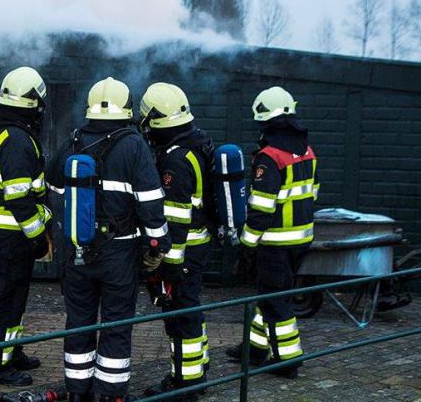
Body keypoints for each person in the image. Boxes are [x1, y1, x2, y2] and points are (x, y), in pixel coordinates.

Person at [48, 77, 170, 402]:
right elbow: (151, 204)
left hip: (77, 250)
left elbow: (54, 191)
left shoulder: (73, 141)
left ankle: (78, 393)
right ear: (128, 108)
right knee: (115, 325)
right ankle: (111, 396)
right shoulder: (134, 145)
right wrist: (158, 247)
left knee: (79, 323)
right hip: (119, 254)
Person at [227, 86, 319, 379]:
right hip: (301, 238)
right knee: (270, 294)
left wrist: (247, 244)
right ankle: (254, 350)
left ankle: (287, 361)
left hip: (275, 242)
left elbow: (262, 208)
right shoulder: (307, 150)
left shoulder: (269, 156)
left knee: (276, 301)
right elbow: (312, 193)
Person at [0, 66, 51, 386]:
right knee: (4, 296)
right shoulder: (16, 139)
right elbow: (19, 198)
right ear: (32, 102)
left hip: (4, 230)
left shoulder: (1, 130)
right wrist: (37, 236)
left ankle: (11, 350)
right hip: (10, 233)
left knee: (15, 293)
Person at [138, 83, 213, 401]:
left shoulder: (176, 159)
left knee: (182, 314)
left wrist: (171, 264)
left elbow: (177, 217)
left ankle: (186, 385)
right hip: (197, 244)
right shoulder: (196, 143)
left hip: (184, 251)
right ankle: (195, 370)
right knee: (189, 310)